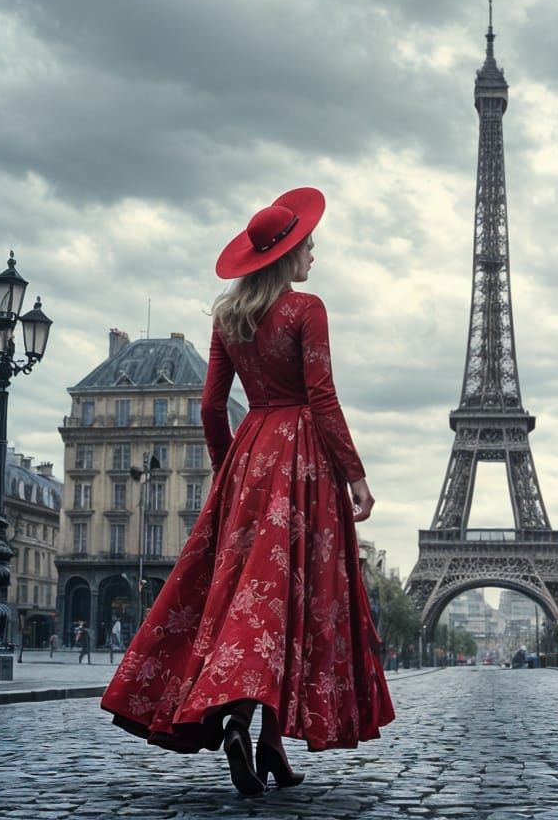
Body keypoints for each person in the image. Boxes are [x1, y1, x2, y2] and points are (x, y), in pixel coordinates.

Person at [101, 187, 395, 797]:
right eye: (307, 244)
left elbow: (212, 405)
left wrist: (229, 468)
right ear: (287, 255)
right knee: (294, 600)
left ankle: (269, 747)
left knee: (255, 597)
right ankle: (239, 721)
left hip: (250, 453)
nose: (313, 251)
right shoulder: (306, 309)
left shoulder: (228, 318)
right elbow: (321, 397)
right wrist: (356, 473)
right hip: (302, 461)